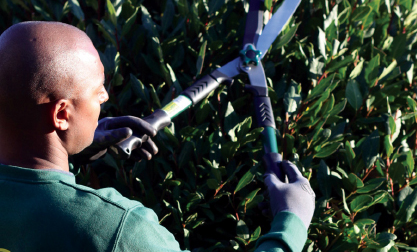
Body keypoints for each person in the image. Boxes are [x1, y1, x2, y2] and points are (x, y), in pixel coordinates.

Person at [0, 21, 315, 252]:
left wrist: (73, 149)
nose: (106, 97)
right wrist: (291, 223)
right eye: (97, 92)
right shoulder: (119, 232)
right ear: (61, 115)